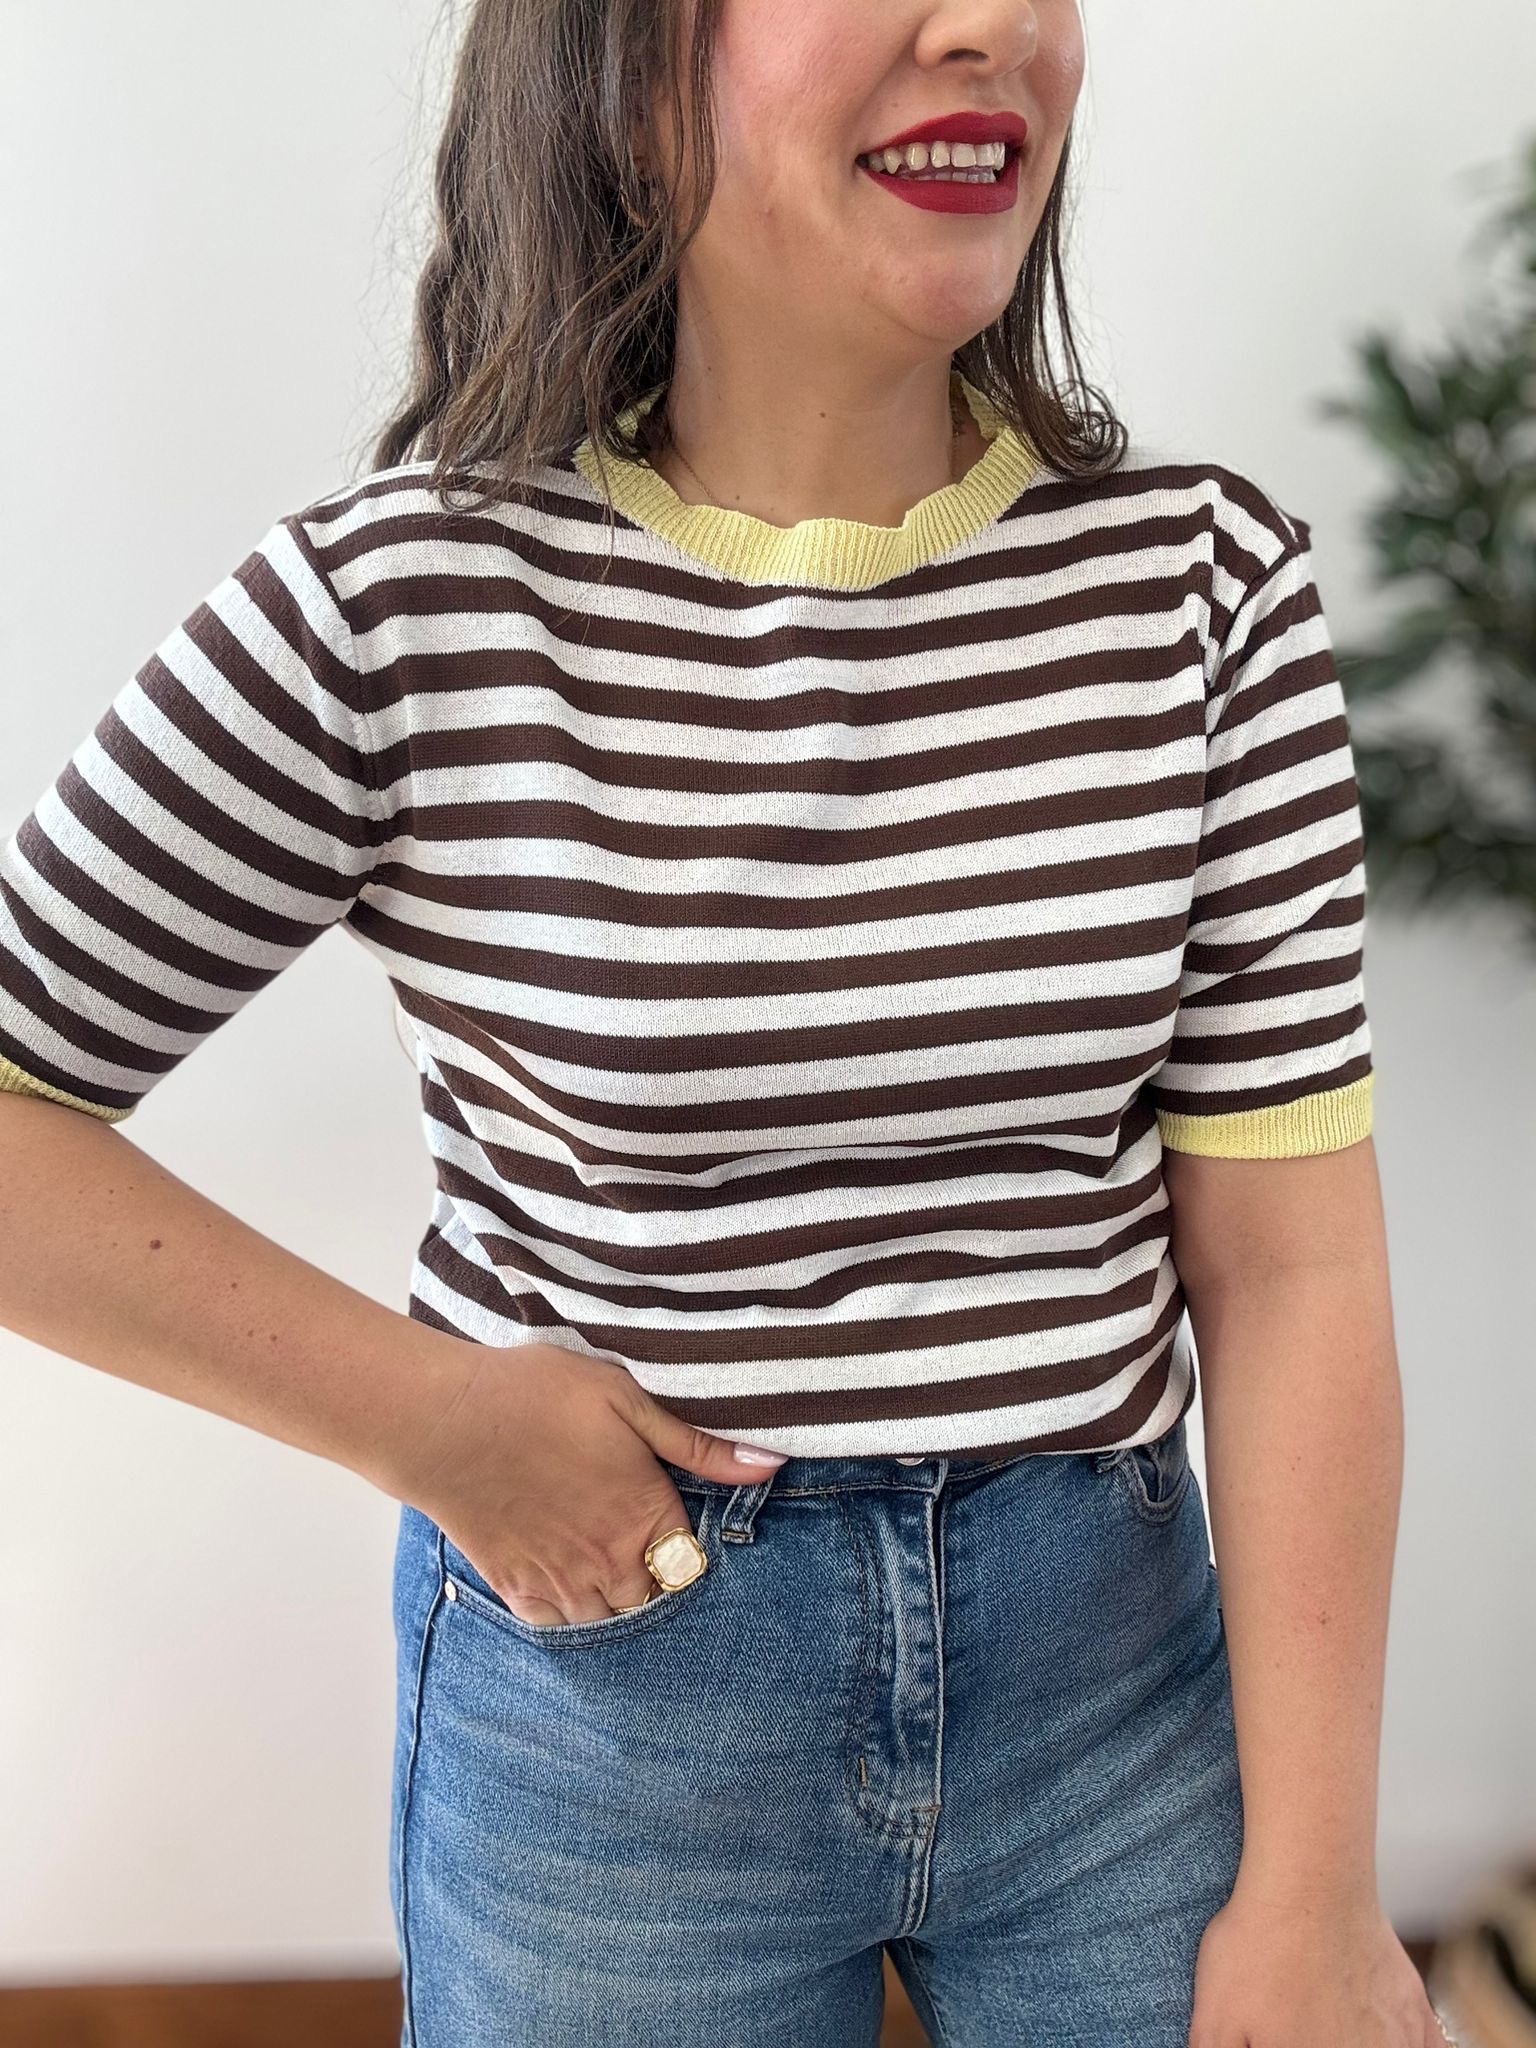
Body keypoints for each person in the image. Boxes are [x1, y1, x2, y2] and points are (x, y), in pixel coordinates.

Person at [0, 2, 1457, 2044]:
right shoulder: (402, 605)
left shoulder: (1201, 593)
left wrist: (1315, 1893)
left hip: (1115, 1693)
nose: (997, 26)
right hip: (616, 1714)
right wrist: (431, 1421)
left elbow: (1293, 1271)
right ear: (622, 57)